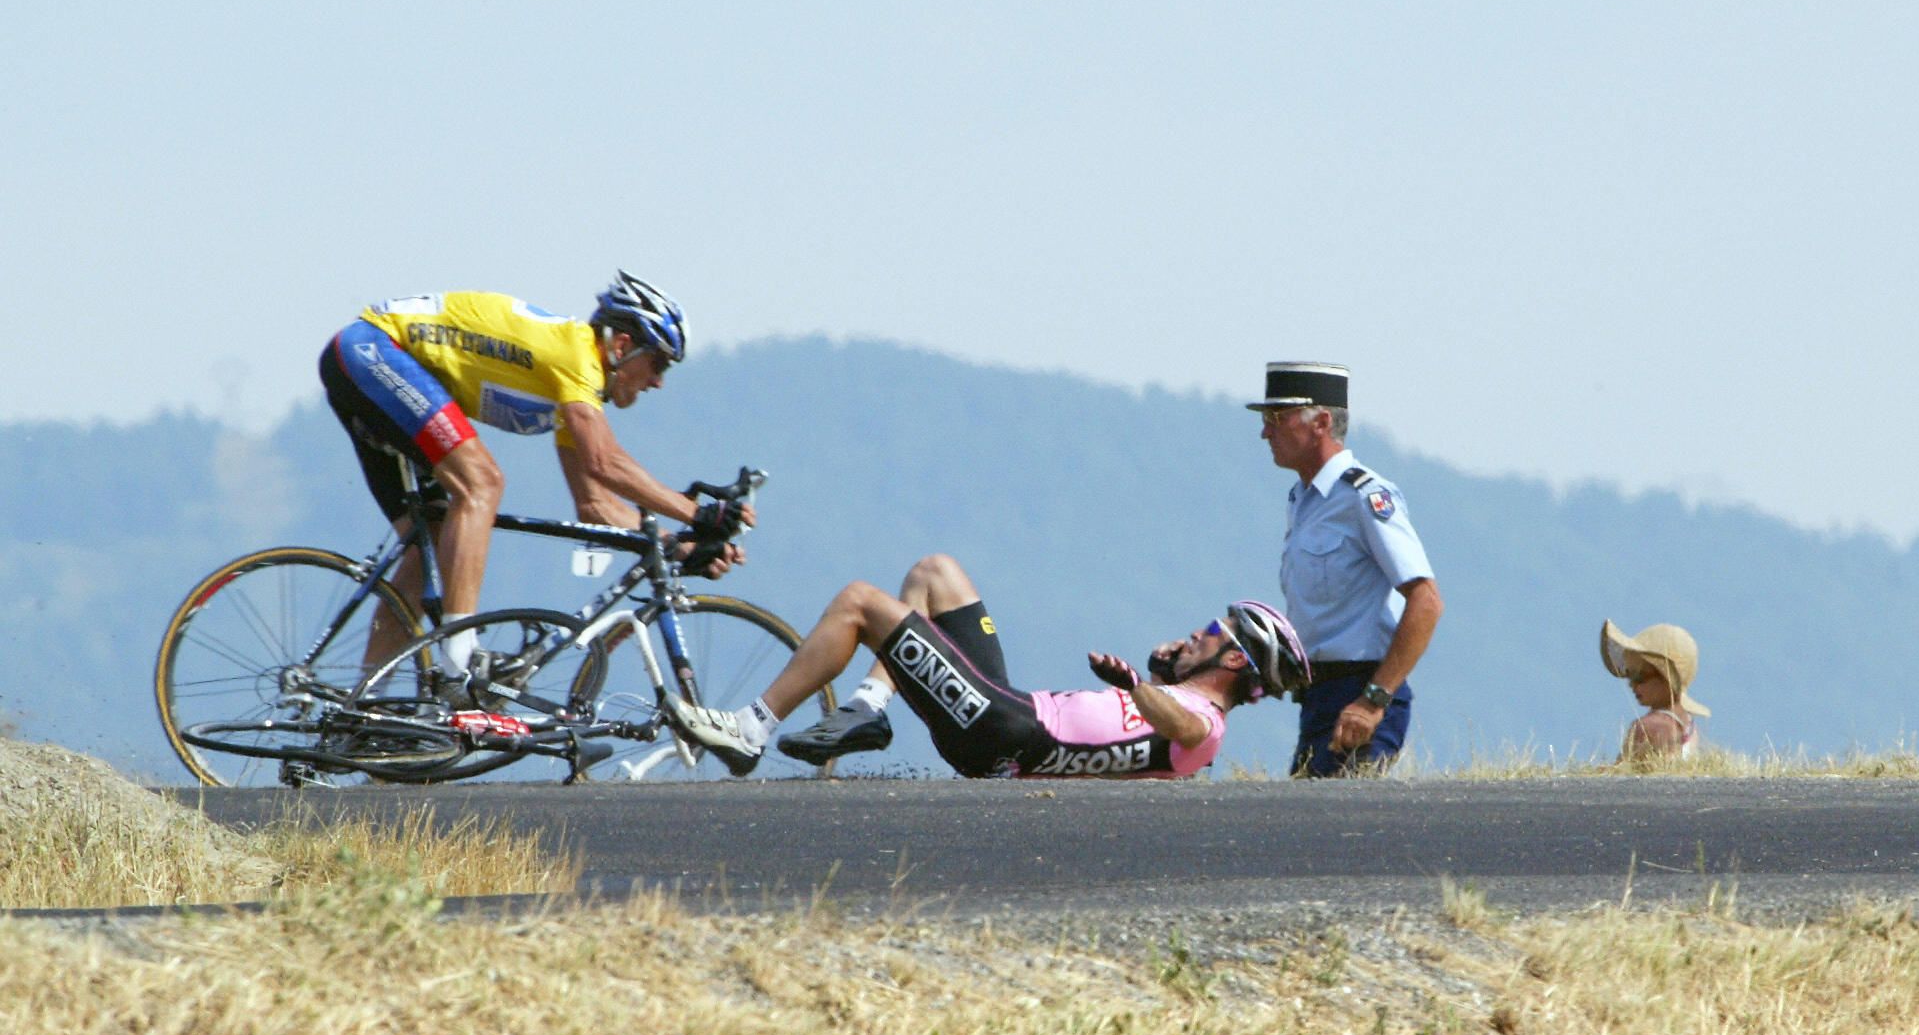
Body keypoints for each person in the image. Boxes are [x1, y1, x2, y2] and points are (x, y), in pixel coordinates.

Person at [317, 273, 748, 683]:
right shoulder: (576, 356)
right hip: (372, 350)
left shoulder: (572, 392)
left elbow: (595, 505)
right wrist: (699, 513)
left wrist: (679, 546)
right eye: (659, 364)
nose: (658, 382)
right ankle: (459, 660)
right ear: (622, 345)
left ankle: (365, 703)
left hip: (360, 360)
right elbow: (605, 461)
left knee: (428, 537)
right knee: (482, 483)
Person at [664, 552, 1309, 779]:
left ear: (1232, 658)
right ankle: (869, 708)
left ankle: (751, 729)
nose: (1194, 632)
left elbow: (1184, 728)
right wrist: (1158, 675)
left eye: (1211, 632)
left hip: (1003, 733)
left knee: (861, 602)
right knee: (935, 574)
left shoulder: (1205, 727)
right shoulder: (1185, 698)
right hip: (1008, 711)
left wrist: (1143, 686)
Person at [1249, 362, 1443, 777]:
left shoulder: (1364, 497)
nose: (1266, 432)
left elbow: (1426, 600)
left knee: (1336, 830)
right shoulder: (1303, 500)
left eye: (1276, 419)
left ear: (1320, 422)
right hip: (1318, 695)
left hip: (1360, 694)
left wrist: (1374, 700)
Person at [1600, 620, 1709, 763]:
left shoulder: (1645, 727)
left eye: (1639, 677)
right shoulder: (1690, 727)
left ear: (1666, 678)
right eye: (1629, 675)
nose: (1632, 685)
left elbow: (1620, 774)